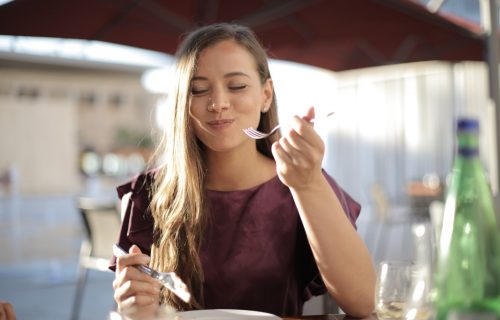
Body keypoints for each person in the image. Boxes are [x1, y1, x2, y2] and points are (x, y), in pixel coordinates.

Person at [110, 22, 376, 319]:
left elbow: (363, 303)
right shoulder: (148, 192)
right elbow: (137, 305)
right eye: (198, 90)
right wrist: (132, 307)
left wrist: (308, 184)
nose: (218, 103)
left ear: (266, 95)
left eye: (237, 86)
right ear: (182, 103)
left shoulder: (302, 182)